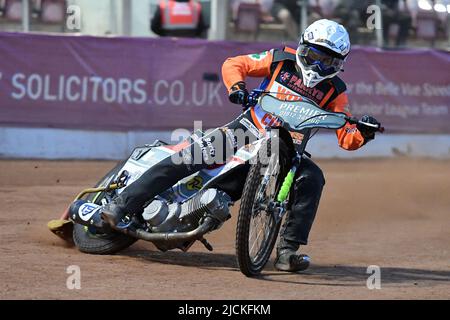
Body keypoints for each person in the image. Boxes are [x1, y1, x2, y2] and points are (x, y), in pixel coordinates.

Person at [102, 19, 381, 272]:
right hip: (246, 131)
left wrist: (363, 132)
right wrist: (237, 87)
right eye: (315, 56)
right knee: (188, 157)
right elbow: (235, 64)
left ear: (340, 64)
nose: (319, 66)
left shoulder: (336, 91)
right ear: (302, 47)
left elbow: (347, 137)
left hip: (289, 153)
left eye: (328, 62)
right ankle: (122, 204)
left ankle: (287, 251)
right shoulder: (279, 58)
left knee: (313, 178)